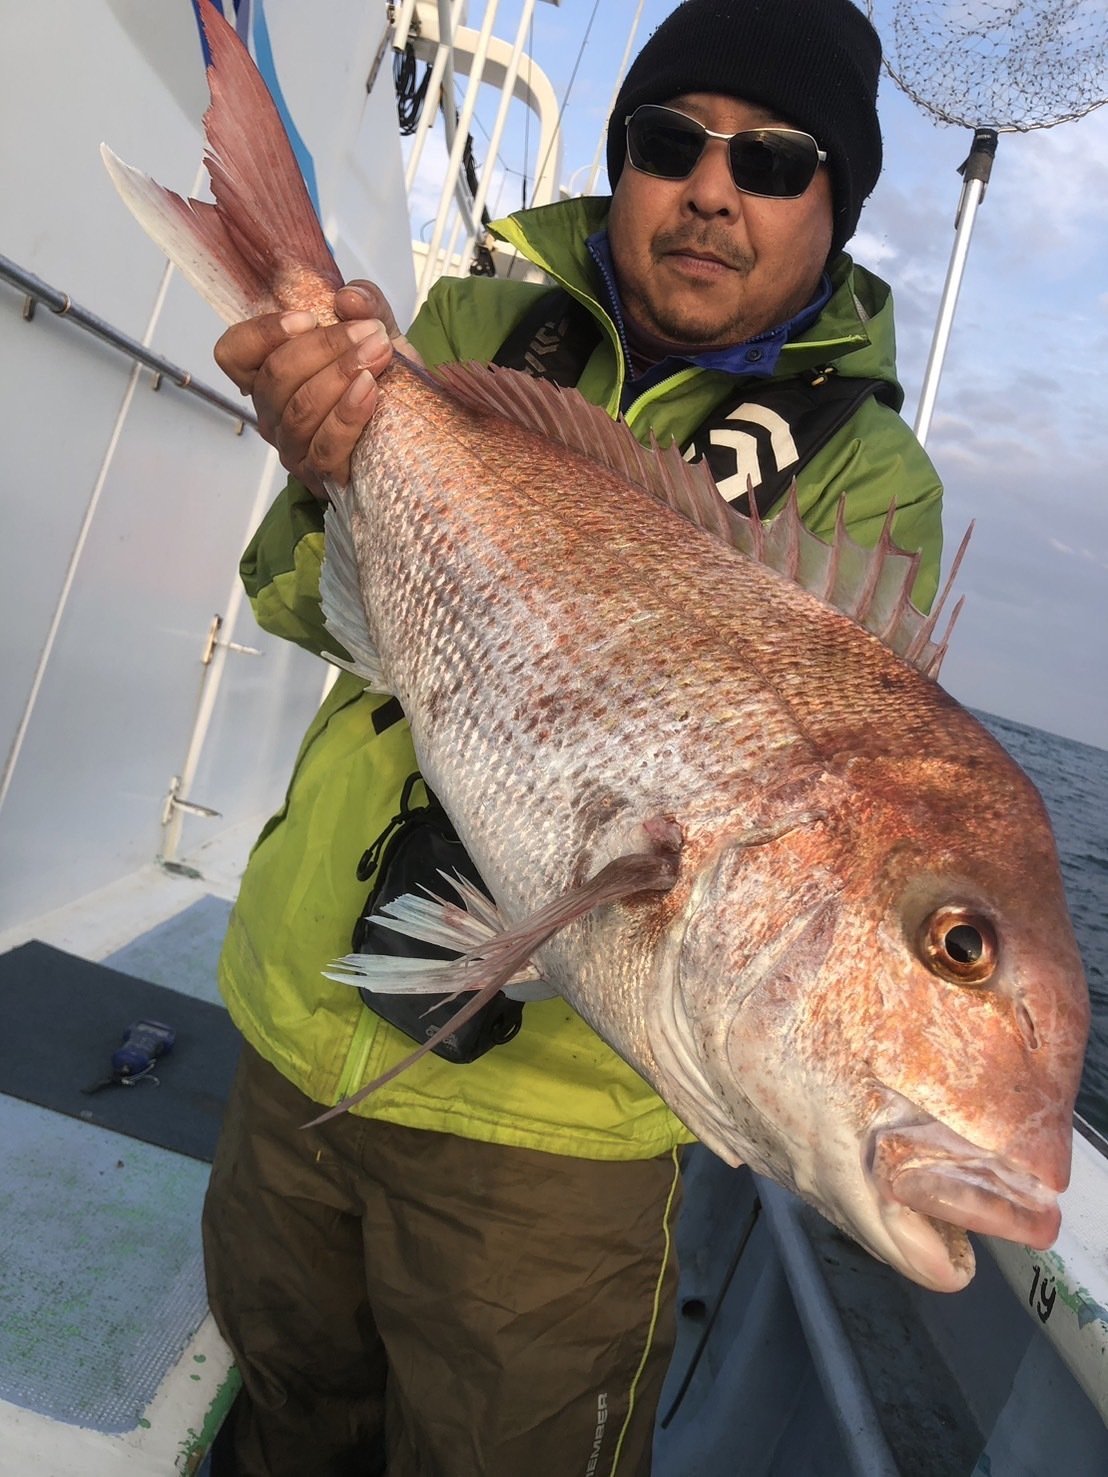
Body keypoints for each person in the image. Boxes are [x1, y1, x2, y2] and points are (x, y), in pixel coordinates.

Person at [202, 1, 945, 1473]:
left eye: (774, 161)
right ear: (625, 163)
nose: (711, 190)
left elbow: (827, 832)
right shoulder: (475, 332)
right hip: (291, 1026)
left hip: (547, 1148)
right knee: (287, 1419)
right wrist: (318, 463)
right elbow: (290, 595)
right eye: (670, 143)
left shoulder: (869, 476)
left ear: (837, 206)